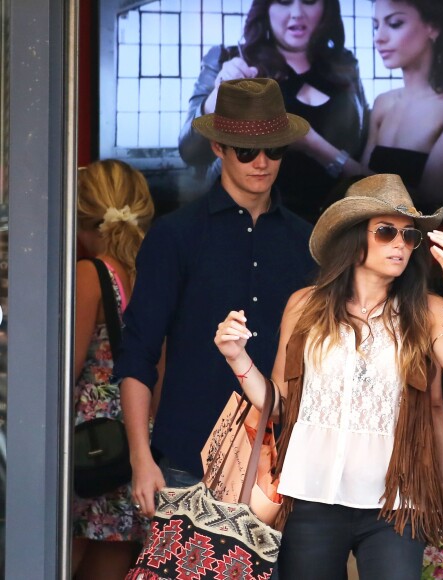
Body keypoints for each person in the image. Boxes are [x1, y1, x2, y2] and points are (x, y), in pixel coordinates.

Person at [215, 173, 443, 579]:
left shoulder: (428, 310)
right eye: (386, 232)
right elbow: (279, 402)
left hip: (394, 503)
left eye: (410, 237)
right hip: (310, 495)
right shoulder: (304, 305)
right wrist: (237, 357)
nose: (400, 244)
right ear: (353, 237)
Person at [116, 78, 317, 520]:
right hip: (188, 460)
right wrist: (140, 458)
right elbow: (138, 354)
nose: (262, 162)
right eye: (247, 151)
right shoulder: (176, 236)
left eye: (274, 150)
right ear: (218, 148)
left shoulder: (307, 242)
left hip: (286, 467)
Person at [178, 0, 369, 224]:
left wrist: (312, 144)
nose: (297, 13)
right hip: (248, 227)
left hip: (337, 228)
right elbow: (191, 153)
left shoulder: (344, 65)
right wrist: (216, 100)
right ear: (265, 8)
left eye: (309, 1)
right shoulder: (229, 60)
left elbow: (361, 154)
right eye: (284, 2)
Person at [73, 159, 155, 579]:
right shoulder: (149, 272)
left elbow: (64, 370)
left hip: (89, 445)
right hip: (131, 443)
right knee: (114, 557)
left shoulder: (90, 275)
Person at [361, 0, 443, 213]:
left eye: (394, 24)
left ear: (433, 27)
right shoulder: (383, 103)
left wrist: (324, 151)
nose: (379, 37)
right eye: (376, 26)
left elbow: (436, 198)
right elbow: (362, 183)